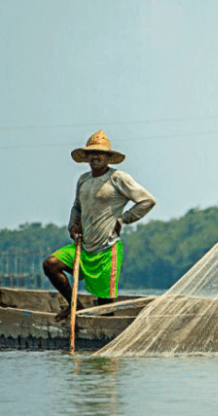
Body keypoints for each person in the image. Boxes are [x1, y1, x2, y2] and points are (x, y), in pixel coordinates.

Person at [43, 130, 156, 321]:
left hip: (107, 249)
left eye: (101, 153)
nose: (96, 157)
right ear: (86, 157)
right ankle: (75, 307)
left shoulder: (118, 178)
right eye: (92, 153)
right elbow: (77, 207)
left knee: (105, 308)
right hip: (84, 247)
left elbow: (147, 201)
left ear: (108, 157)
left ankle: (105, 340)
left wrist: (123, 219)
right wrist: (73, 226)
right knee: (51, 265)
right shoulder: (83, 180)